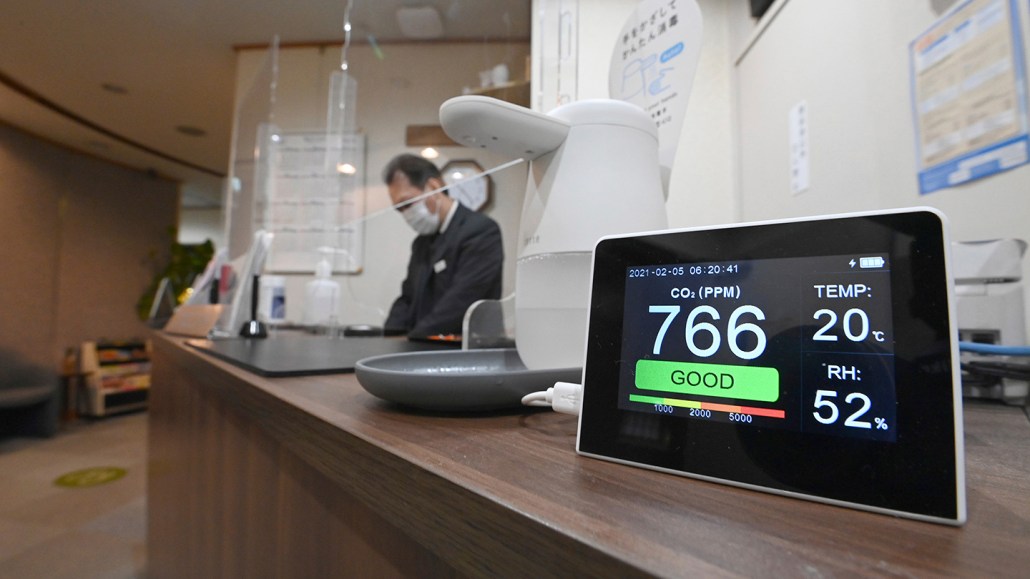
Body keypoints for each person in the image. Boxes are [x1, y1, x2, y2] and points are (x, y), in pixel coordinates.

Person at [382, 154, 503, 338]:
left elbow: (462, 300)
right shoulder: (421, 243)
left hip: (464, 350)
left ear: (433, 187)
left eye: (407, 203)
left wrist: (412, 338)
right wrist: (389, 336)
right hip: (422, 346)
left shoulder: (481, 231)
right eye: (399, 209)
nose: (405, 214)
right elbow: (408, 297)